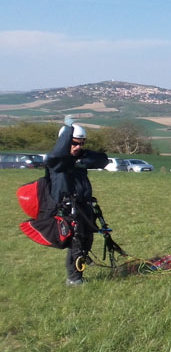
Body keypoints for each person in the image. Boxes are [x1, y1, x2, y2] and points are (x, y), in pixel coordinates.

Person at [45, 117, 109, 285]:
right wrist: (67, 130)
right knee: (77, 242)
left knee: (87, 240)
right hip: (68, 209)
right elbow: (58, 154)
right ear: (65, 142)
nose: (78, 147)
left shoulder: (79, 159)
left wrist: (80, 159)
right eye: (74, 143)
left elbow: (102, 160)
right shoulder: (55, 160)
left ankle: (77, 275)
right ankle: (74, 279)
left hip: (84, 206)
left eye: (81, 143)